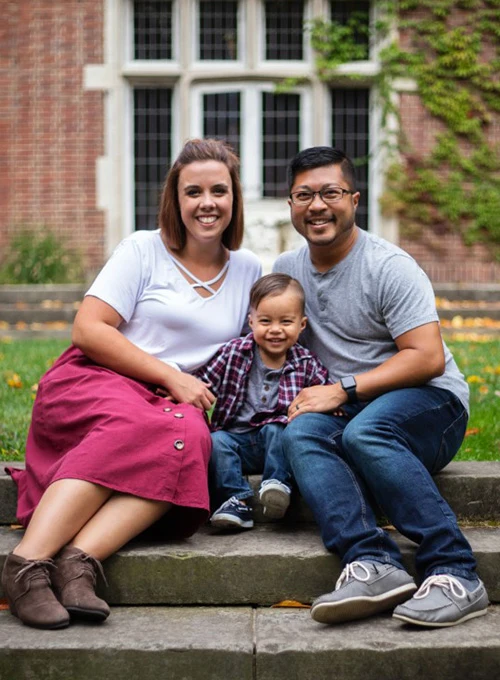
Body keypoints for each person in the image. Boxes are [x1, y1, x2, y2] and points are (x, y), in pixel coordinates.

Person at [2, 138, 262, 630]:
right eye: (193, 192)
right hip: (98, 377)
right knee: (142, 424)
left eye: (219, 191)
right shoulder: (143, 249)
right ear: (175, 198)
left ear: (234, 199)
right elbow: (89, 328)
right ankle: (26, 565)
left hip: (166, 403)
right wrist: (170, 376)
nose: (207, 203)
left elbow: (260, 346)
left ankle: (77, 562)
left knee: (191, 438)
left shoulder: (248, 269)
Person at [273, 146, 489, 629]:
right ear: (290, 205)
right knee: (301, 434)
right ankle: (373, 563)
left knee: (366, 432)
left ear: (354, 199)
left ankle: (456, 570)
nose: (317, 205)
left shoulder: (389, 266)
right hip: (354, 410)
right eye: (303, 195)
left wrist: (344, 389)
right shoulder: (288, 267)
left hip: (432, 403)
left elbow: (426, 357)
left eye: (330, 192)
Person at [194, 273, 330, 531]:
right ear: (251, 321)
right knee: (217, 440)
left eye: (286, 322)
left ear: (302, 325)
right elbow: (203, 380)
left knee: (278, 428)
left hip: (277, 446)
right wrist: (176, 387)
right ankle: (236, 500)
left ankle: (277, 486)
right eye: (265, 321)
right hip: (238, 442)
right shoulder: (235, 352)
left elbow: (324, 394)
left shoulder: (305, 362)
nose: (275, 329)